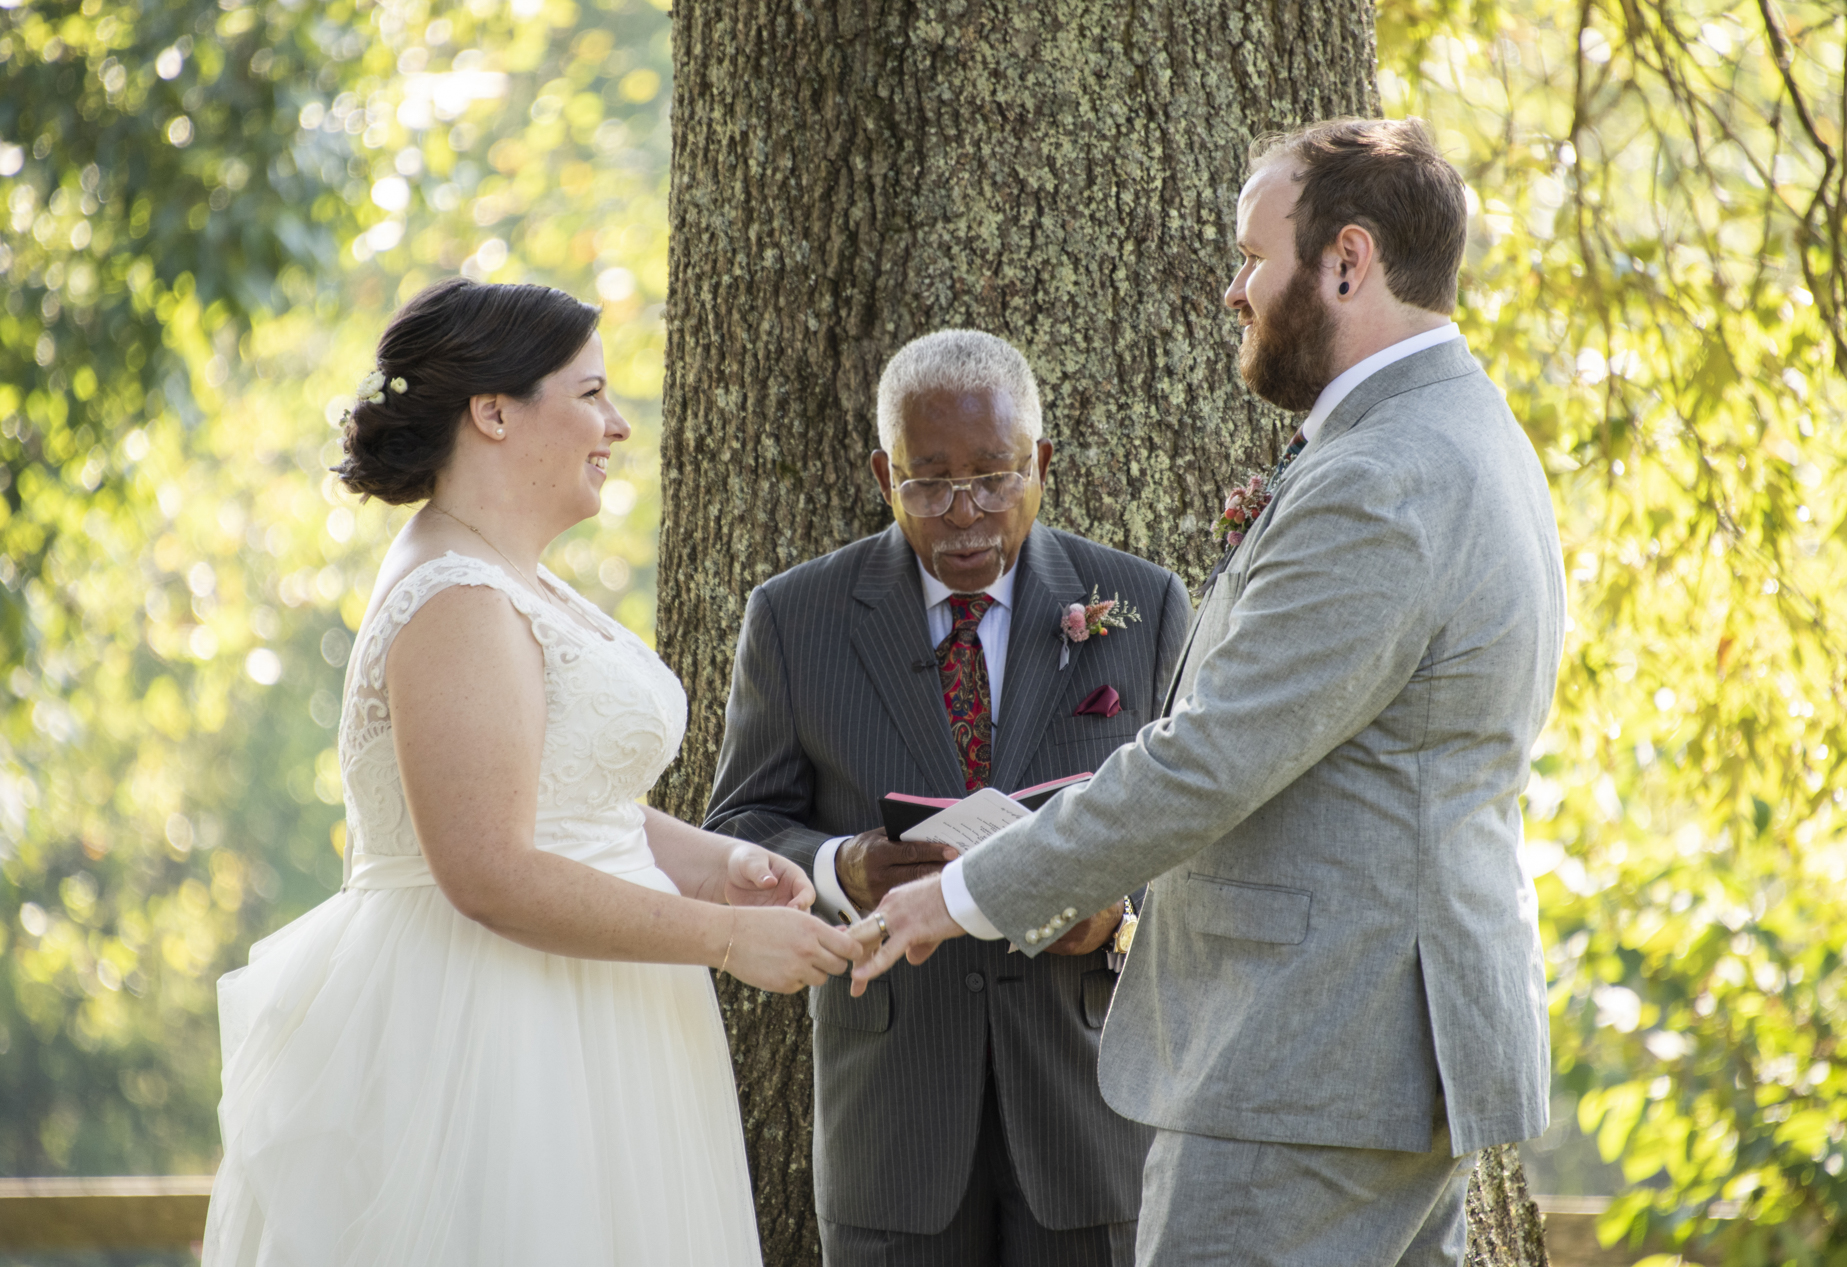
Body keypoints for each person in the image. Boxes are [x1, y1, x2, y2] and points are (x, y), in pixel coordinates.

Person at [853, 118, 1566, 1267]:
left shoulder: (1379, 479)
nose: (1234, 291)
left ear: (1345, 261)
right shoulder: (1463, 430)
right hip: (1378, 1047)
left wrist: (969, 893)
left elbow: (1210, 758)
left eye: (1249, 258)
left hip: (1303, 1061)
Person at [203, 277, 861, 1267]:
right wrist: (726, 937)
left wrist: (712, 863)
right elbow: (487, 869)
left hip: (599, 1015)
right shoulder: (455, 597)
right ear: (494, 411)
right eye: (592, 393)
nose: (619, 424)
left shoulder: (509, 573)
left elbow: (569, 801)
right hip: (497, 1030)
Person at [704, 329, 1193, 1267]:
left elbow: (1198, 829)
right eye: (928, 484)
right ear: (883, 474)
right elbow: (738, 826)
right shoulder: (794, 619)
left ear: (1042, 462)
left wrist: (1116, 916)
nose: (965, 513)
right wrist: (839, 866)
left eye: (995, 478)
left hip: (1087, 1113)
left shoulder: (1143, 604)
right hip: (894, 1123)